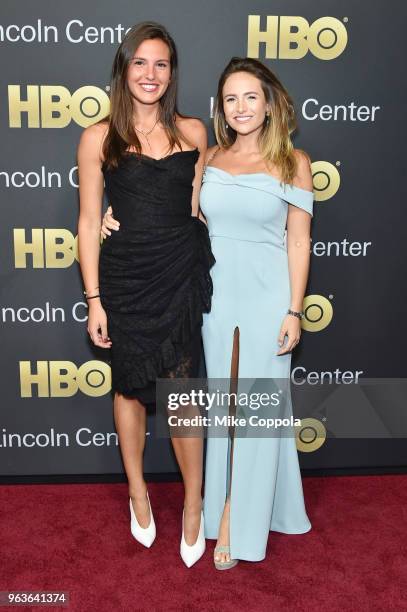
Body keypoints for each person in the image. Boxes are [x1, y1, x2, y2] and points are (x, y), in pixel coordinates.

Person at [102, 56, 313, 569]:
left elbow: (300, 242)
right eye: (232, 99)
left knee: (258, 409)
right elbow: (183, 211)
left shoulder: (294, 162)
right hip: (211, 297)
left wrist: (294, 309)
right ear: (221, 108)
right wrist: (119, 216)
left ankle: (235, 520)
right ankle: (220, 500)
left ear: (270, 105)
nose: (242, 107)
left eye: (251, 97)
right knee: (220, 405)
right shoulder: (210, 156)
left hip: (267, 298)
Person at [77, 21, 214, 568]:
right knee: (130, 388)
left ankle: (195, 505)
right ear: (124, 69)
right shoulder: (98, 137)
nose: (150, 74)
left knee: (182, 394)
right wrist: (94, 299)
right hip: (126, 279)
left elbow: (198, 206)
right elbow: (89, 222)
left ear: (172, 72)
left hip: (178, 273)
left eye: (161, 64)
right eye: (140, 63)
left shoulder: (194, 132)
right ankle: (137, 490)